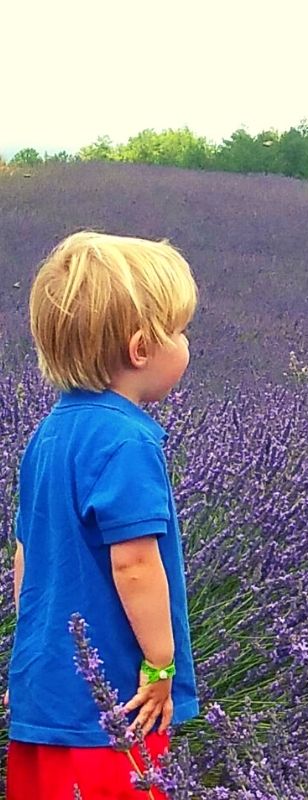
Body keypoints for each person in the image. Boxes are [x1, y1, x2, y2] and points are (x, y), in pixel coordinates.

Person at [6, 231, 199, 799]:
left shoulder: (47, 435)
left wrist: (29, 658)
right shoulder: (126, 441)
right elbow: (135, 565)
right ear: (142, 349)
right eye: (180, 330)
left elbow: (27, 556)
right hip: (113, 702)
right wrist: (162, 666)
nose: (187, 343)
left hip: (43, 691)